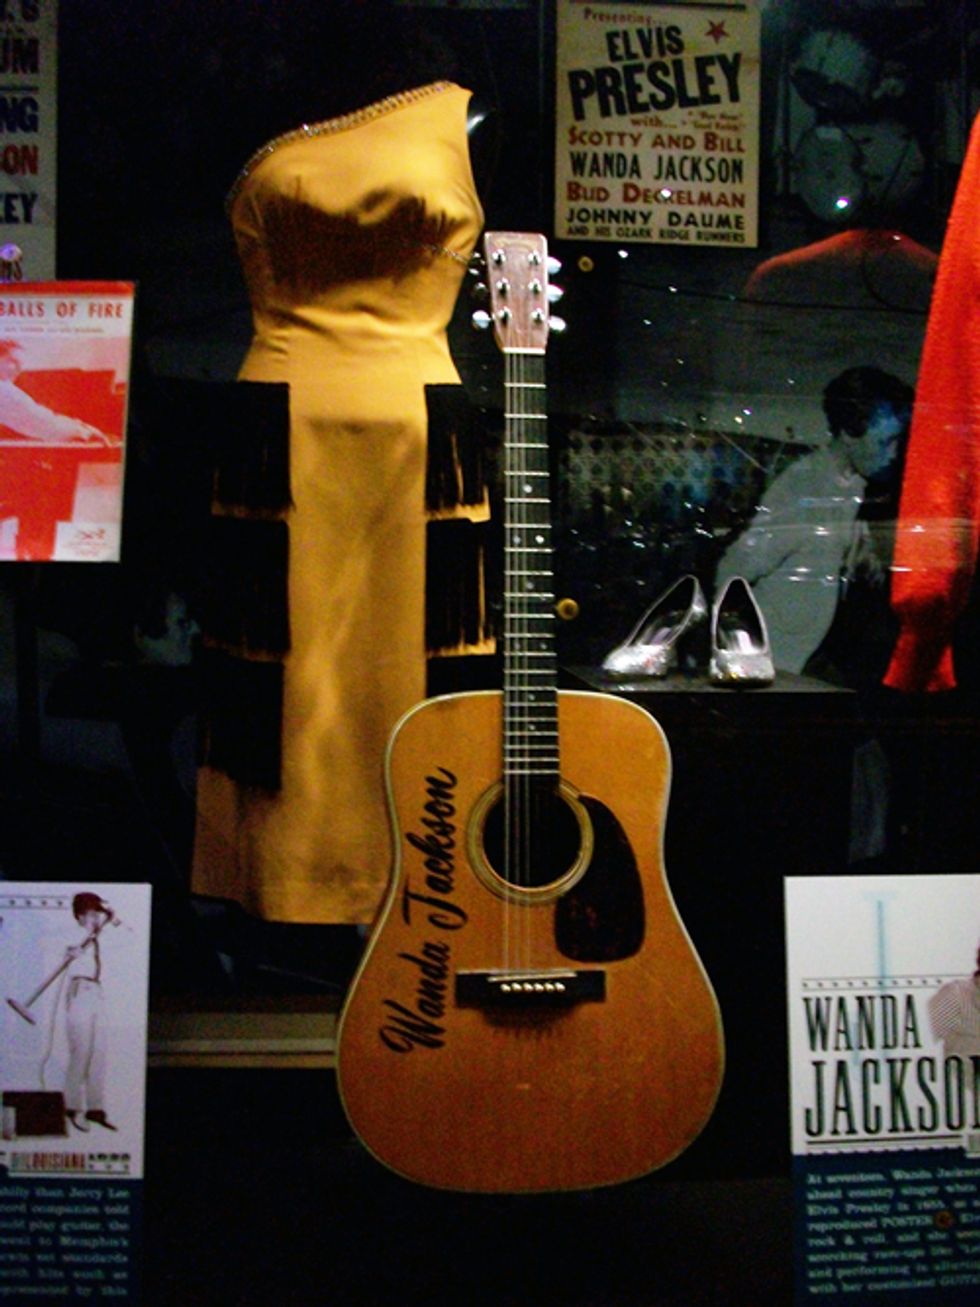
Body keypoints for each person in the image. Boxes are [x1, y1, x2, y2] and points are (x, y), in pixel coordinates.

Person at [191, 66, 488, 925]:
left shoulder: (469, 105)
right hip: (286, 425)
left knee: (418, 660)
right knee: (288, 675)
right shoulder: (254, 72)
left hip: (417, 430)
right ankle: (290, 881)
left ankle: (429, 884)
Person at [716, 366, 913, 680]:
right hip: (786, 662)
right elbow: (736, 568)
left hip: (821, 655)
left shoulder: (859, 484)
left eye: (898, 442)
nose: (894, 454)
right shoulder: (803, 487)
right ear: (849, 434)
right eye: (885, 442)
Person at [63, 893, 117, 1133]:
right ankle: (72, 1107)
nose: (96, 918)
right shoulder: (72, 933)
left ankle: (96, 1109)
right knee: (82, 1051)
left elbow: (130, 936)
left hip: (96, 991)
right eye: (92, 914)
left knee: (99, 1052)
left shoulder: (99, 936)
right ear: (81, 915)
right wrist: (72, 951)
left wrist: (112, 918)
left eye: (98, 913)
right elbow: (61, 949)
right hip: (80, 991)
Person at [0, 340, 113, 445]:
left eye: (21, 364)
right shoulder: (4, 390)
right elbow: (41, 423)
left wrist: (78, 427)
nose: (19, 369)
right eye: (13, 361)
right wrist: (84, 432)